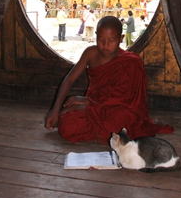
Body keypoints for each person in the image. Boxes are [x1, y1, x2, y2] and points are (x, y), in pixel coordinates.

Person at [44, 16, 173, 144]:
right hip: (95, 110)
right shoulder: (91, 53)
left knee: (122, 119)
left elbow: (128, 99)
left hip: (114, 109)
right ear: (95, 36)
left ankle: (93, 121)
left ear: (121, 39)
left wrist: (87, 102)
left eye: (111, 40)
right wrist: (55, 110)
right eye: (100, 39)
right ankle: (101, 129)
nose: (105, 45)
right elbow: (69, 79)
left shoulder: (131, 62)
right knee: (68, 126)